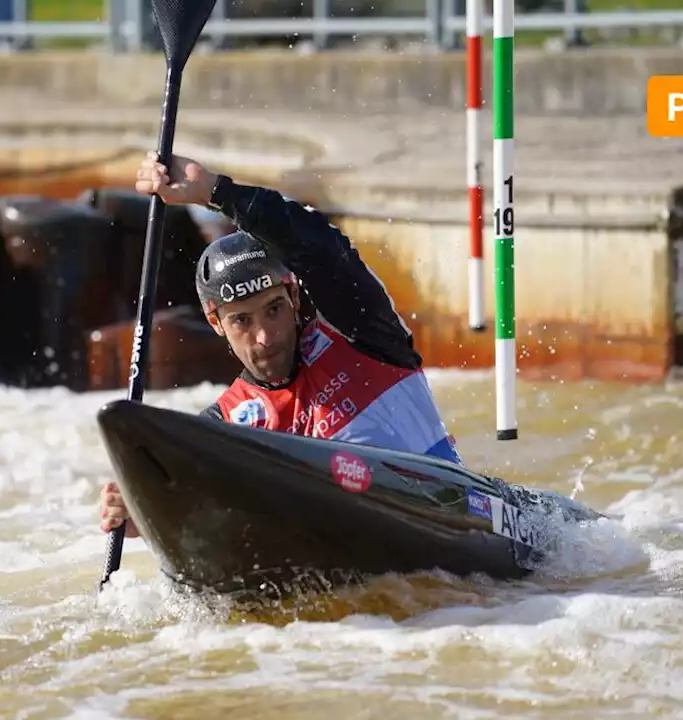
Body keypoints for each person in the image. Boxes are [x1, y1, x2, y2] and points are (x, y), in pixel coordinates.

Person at [99, 152, 463, 538]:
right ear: (215, 322)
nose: (265, 337)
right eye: (242, 320)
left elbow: (320, 246)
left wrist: (214, 190)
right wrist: (144, 513)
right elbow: (200, 516)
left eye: (273, 309)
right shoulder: (222, 430)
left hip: (450, 522)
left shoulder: (365, 335)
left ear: (293, 296)